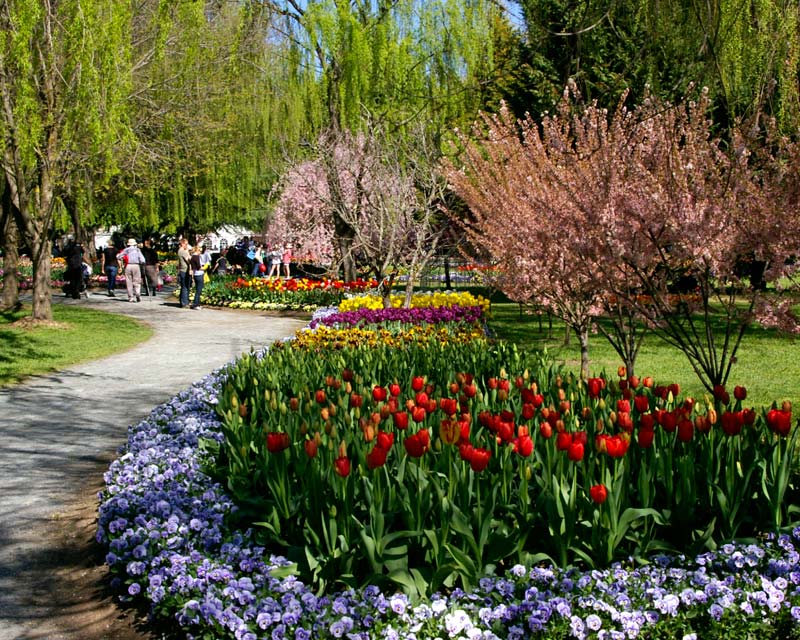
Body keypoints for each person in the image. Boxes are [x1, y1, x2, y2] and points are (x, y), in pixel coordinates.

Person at [118, 238, 146, 302]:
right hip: (136, 265)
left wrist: (121, 259)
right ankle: (137, 293)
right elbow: (143, 260)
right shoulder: (138, 250)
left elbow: (119, 256)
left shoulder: (126, 250)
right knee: (137, 281)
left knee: (129, 282)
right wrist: (142, 263)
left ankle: (131, 297)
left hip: (128, 265)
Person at [62, 234, 84, 299]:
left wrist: (67, 259)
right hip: (78, 265)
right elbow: (83, 251)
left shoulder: (67, 247)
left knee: (72, 279)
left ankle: (74, 292)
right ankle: (76, 292)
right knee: (78, 279)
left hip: (71, 265)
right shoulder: (78, 246)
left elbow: (63, 254)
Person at [177, 237, 192, 308]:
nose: (187, 245)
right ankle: (184, 303)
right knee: (185, 287)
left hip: (183, 270)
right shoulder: (182, 251)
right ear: (182, 244)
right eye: (186, 244)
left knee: (185, 286)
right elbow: (189, 260)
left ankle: (183, 301)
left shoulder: (183, 251)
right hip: (184, 271)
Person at [189, 245, 205, 309]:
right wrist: (204, 268)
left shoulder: (192, 257)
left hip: (196, 274)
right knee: (199, 290)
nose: (200, 252)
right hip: (199, 274)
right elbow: (198, 266)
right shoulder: (196, 257)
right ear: (197, 250)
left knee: (198, 289)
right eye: (200, 251)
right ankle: (195, 304)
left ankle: (197, 303)